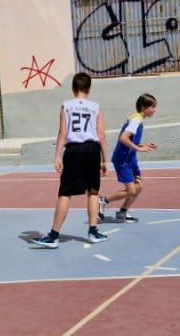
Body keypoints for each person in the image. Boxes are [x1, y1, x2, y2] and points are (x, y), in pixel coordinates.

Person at [35, 73, 108, 248]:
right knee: (93, 191)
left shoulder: (66, 106)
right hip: (92, 149)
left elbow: (62, 132)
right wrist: (106, 159)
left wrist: (58, 156)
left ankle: (54, 235)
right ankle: (92, 231)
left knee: (65, 193)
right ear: (89, 89)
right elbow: (101, 134)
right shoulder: (95, 107)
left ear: (73, 88)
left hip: (74, 150)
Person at [100, 94, 158, 223]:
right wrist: (139, 149)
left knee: (139, 187)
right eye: (152, 107)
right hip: (123, 160)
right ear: (144, 107)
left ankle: (122, 212)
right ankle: (103, 201)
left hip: (131, 159)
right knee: (131, 190)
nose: (154, 109)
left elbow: (130, 140)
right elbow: (123, 138)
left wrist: (143, 145)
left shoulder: (138, 120)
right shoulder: (136, 120)